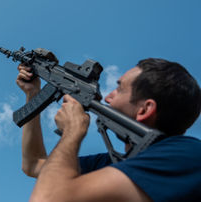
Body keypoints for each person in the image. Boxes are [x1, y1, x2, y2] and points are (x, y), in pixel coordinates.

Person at [16, 58, 201, 202]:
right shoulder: (111, 164)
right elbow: (33, 164)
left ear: (145, 109)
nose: (107, 97)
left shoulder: (188, 156)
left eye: (119, 89)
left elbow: (47, 198)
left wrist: (72, 133)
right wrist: (33, 95)